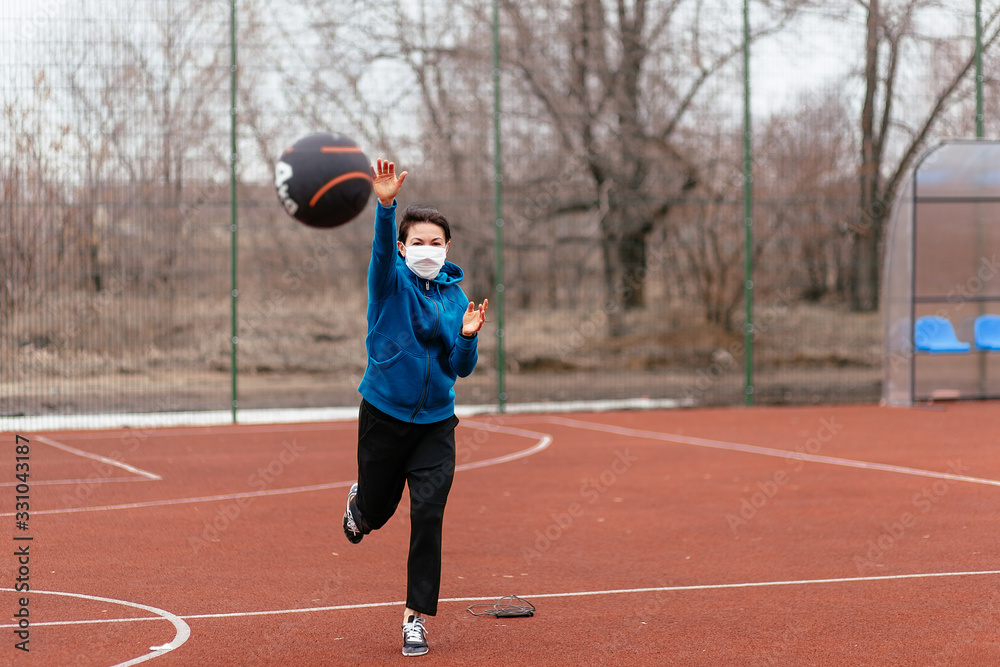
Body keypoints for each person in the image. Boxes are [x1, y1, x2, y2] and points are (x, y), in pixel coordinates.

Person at [343, 158, 488, 658]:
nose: (428, 250)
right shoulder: (389, 282)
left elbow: (459, 367)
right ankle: (361, 506)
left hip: (435, 425)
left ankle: (414, 618)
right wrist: (386, 207)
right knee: (378, 514)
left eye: (436, 242)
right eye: (418, 242)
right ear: (404, 248)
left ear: (448, 248)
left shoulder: (456, 298)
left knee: (429, 512)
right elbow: (381, 250)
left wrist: (468, 338)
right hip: (383, 415)